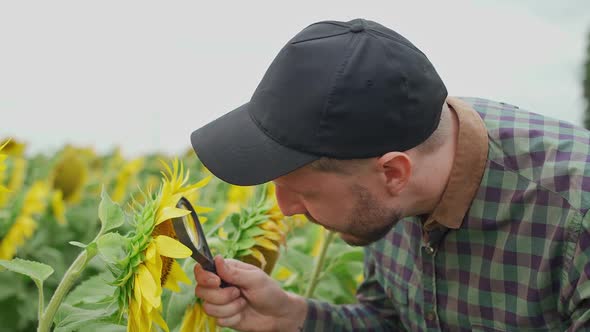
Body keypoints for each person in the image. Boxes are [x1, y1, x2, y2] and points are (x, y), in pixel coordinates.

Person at [189, 18, 590, 331]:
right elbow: (391, 321)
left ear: (394, 172)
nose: (285, 209)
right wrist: (290, 316)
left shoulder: (574, 217)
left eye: (302, 191)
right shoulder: (382, 185)